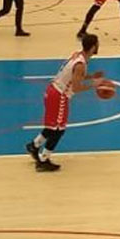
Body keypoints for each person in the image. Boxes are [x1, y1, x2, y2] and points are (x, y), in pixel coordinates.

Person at [25, 34, 102, 172]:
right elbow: (77, 88)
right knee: (59, 130)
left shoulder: (77, 55)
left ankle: (34, 146)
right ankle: (43, 160)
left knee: (52, 126)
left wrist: (91, 76)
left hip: (52, 91)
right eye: (97, 44)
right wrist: (94, 84)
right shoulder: (80, 64)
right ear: (92, 47)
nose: (99, 46)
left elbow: (74, 76)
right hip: (59, 96)